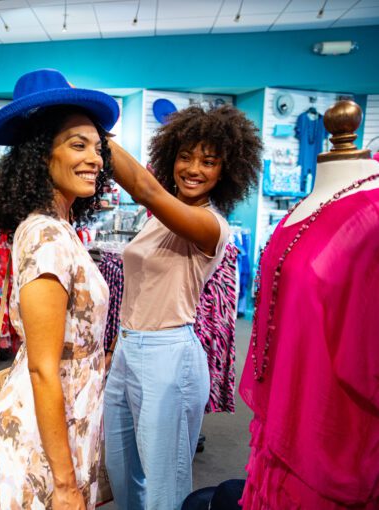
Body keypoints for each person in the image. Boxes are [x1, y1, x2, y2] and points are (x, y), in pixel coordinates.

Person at [104, 105, 262, 510]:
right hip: (127, 349)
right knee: (120, 474)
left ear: (225, 171)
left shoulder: (210, 224)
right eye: (185, 156)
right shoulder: (155, 217)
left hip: (168, 355)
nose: (193, 169)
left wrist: (86, 123)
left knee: (164, 488)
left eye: (208, 162)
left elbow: (145, 187)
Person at [0, 69, 119, 510]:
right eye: (78, 145)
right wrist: (65, 483)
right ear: (40, 155)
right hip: (43, 436)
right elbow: (42, 368)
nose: (94, 158)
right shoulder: (46, 237)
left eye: (98, 147)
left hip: (65, 421)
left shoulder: (60, 227)